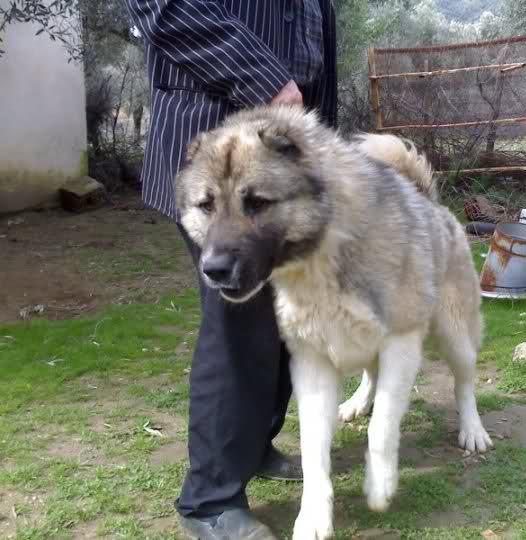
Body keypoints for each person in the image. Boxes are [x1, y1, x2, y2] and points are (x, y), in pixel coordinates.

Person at [124, 1, 337, 537]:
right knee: (237, 324)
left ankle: (254, 446)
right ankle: (210, 499)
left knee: (286, 318)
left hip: (285, 168)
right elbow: (163, 6)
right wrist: (263, 77)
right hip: (214, 144)